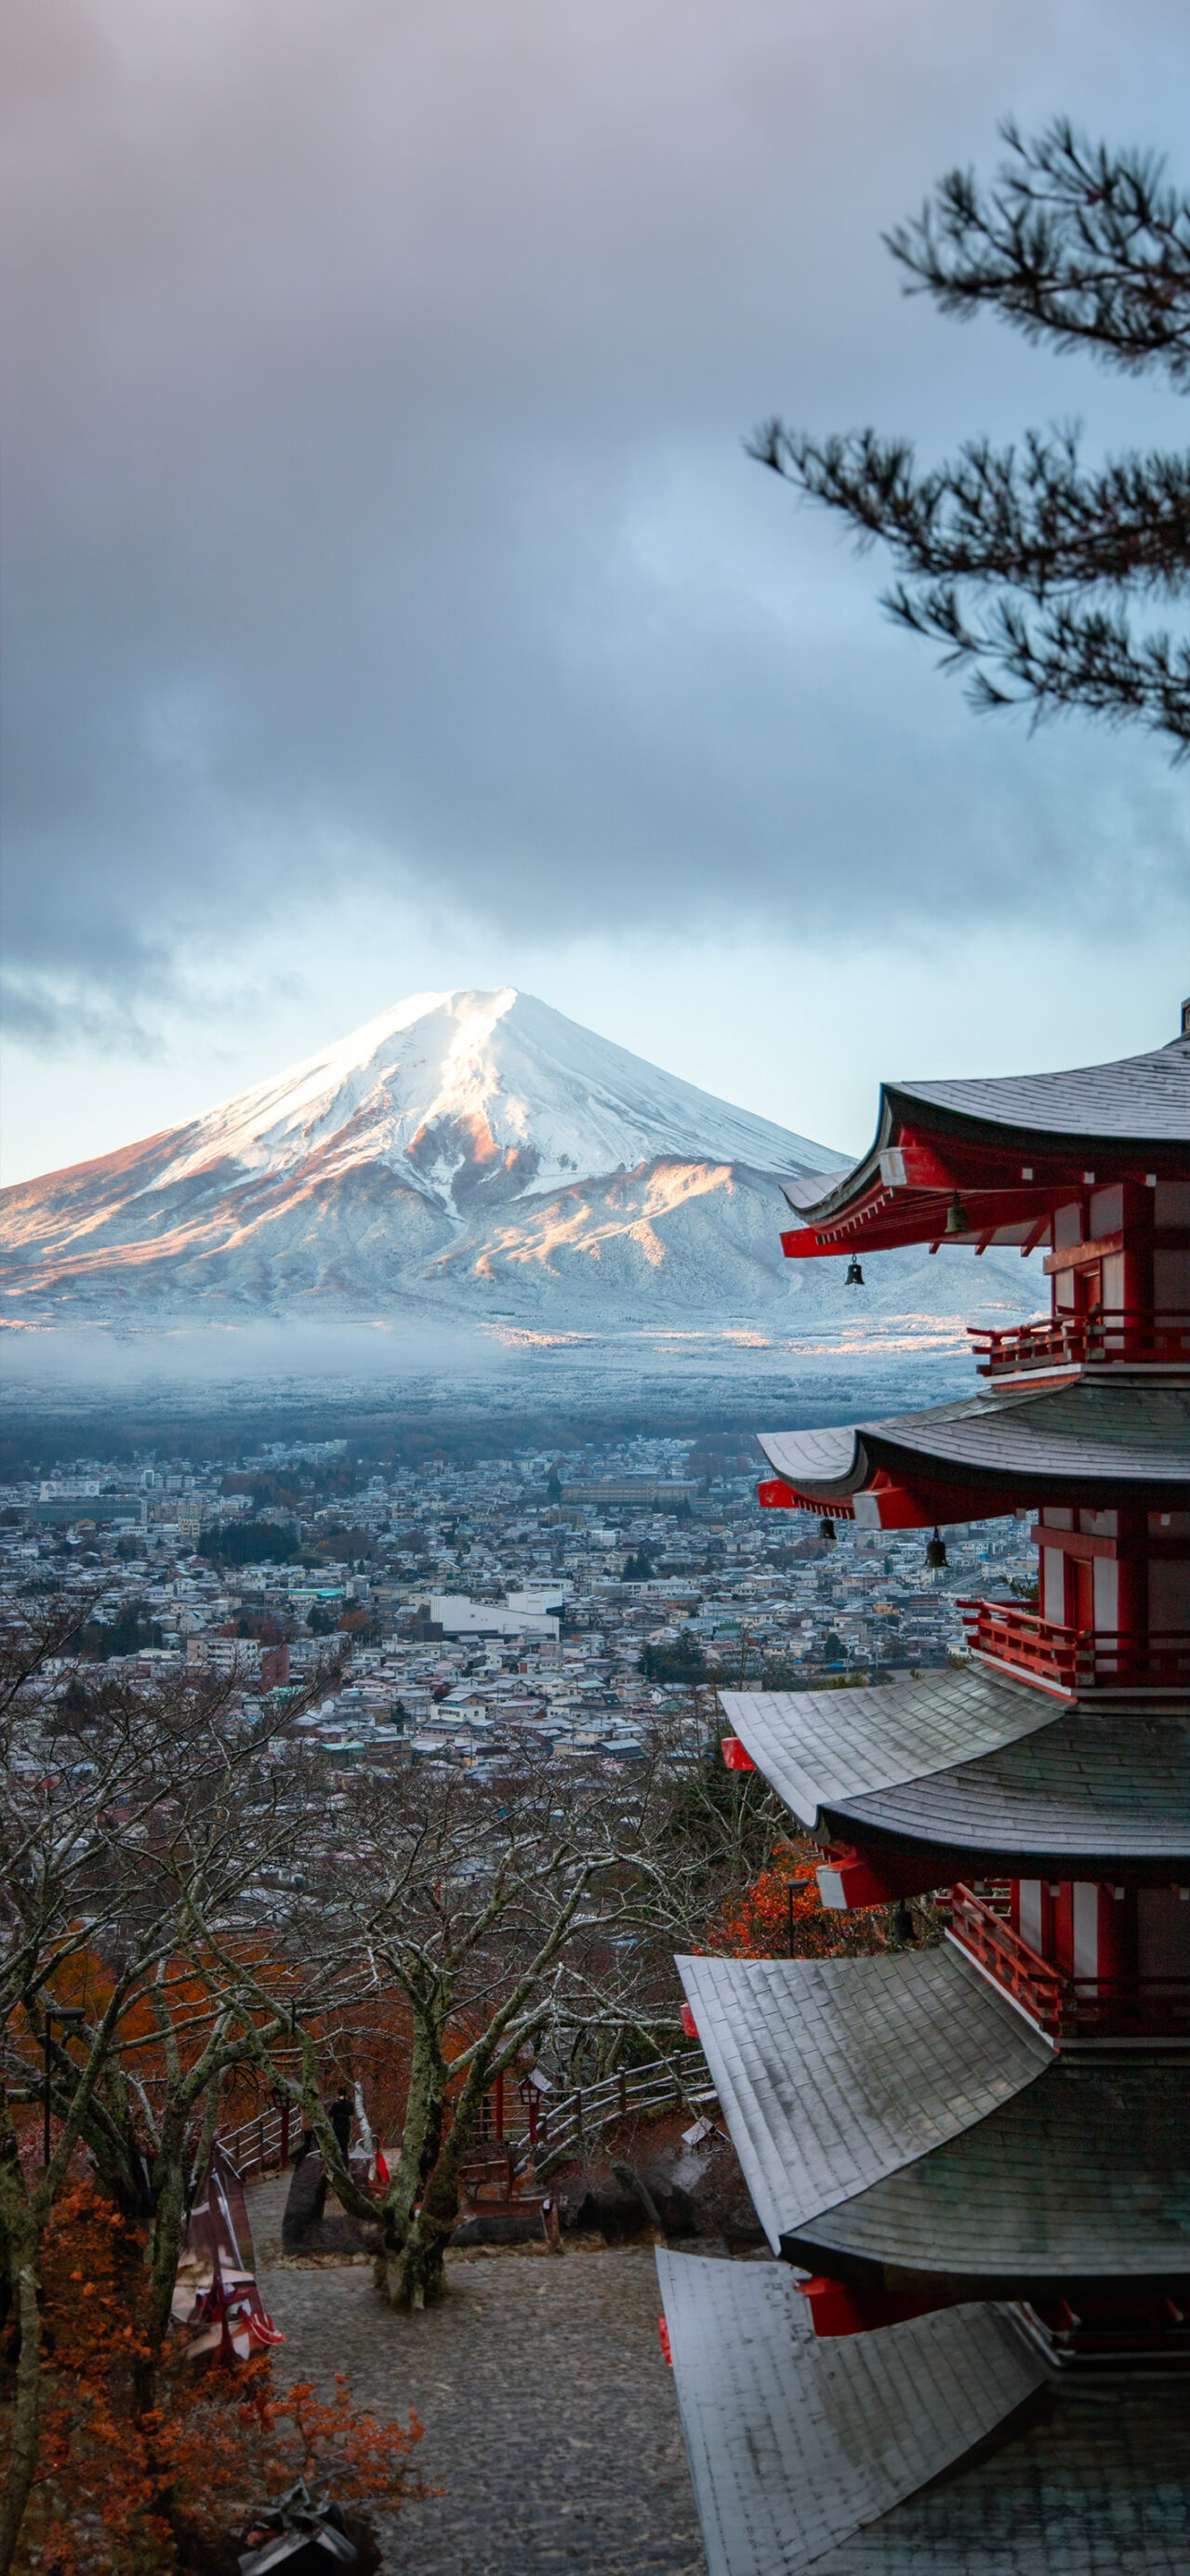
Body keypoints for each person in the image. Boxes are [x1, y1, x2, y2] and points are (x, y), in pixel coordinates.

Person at [327, 2086, 352, 2160]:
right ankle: (345, 2159)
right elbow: (351, 2112)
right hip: (346, 2126)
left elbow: (330, 2114)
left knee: (338, 2143)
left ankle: (339, 2159)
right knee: (345, 2144)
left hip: (337, 2126)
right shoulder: (350, 2104)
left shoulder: (337, 2104)